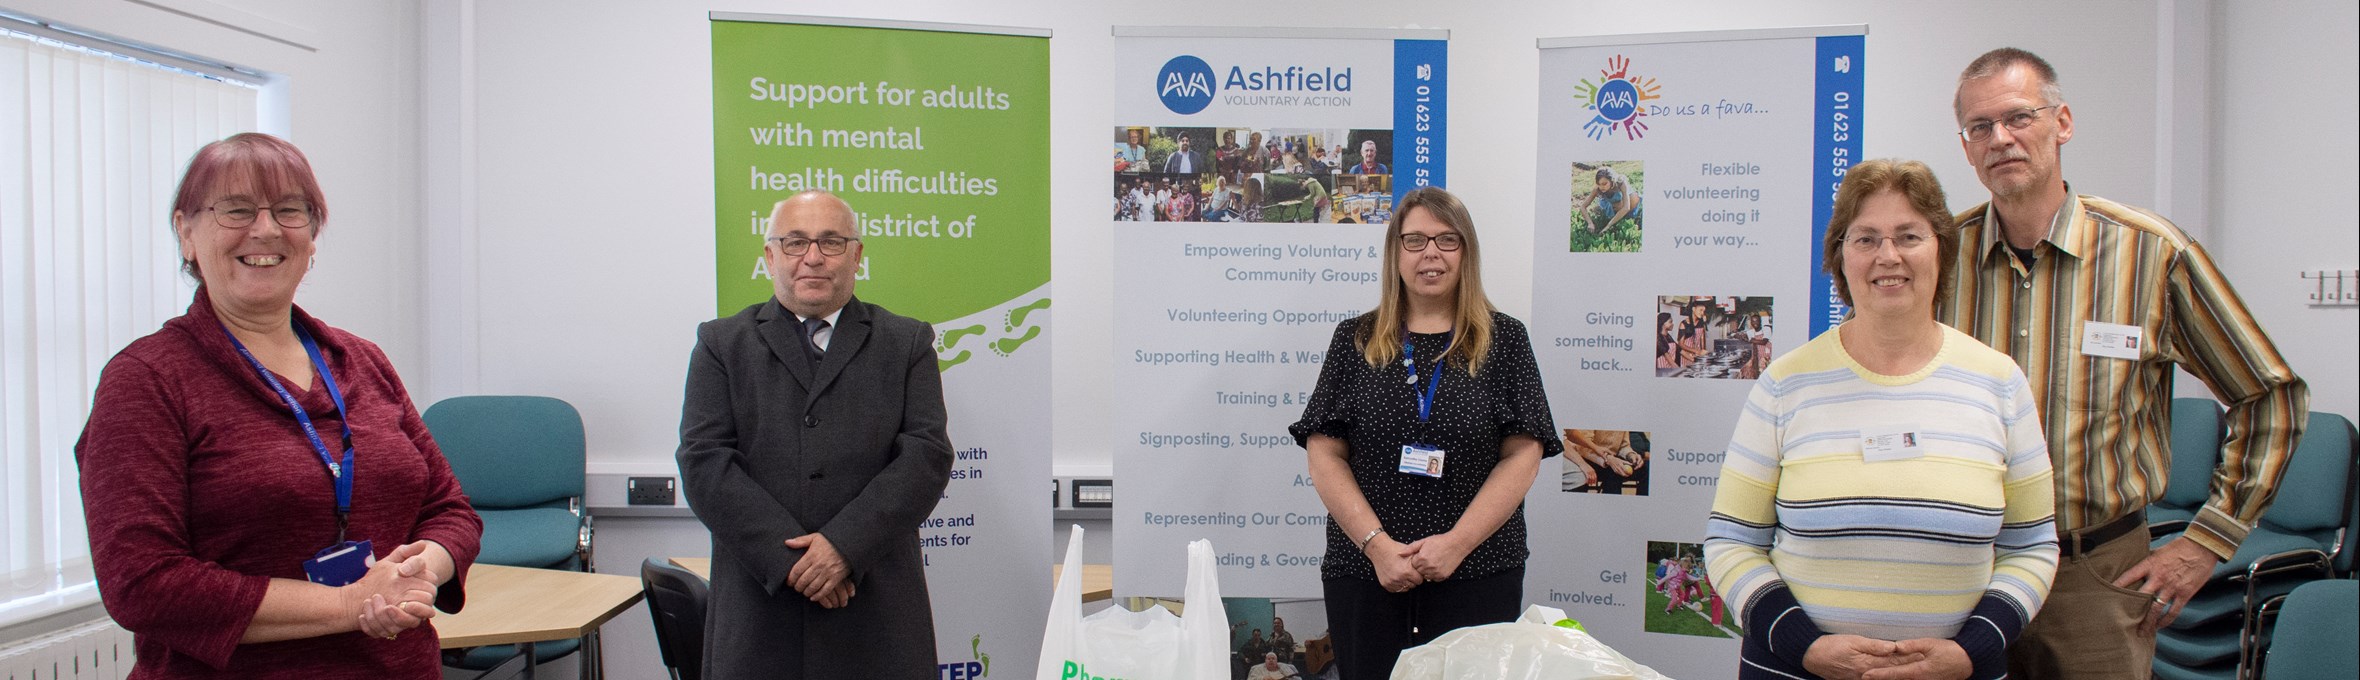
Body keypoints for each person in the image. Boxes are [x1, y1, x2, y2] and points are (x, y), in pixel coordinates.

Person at [1935, 48, 2310, 679]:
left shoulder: (2150, 255)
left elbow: (2269, 395)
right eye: (1980, 127)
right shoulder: (1941, 258)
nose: (2000, 138)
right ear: (1967, 148)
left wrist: (2206, 542)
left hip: (2095, 580)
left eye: (2019, 117)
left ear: (2063, 122)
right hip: (1961, 575)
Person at [74, 132, 482, 678]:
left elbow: (449, 507)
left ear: (312, 238)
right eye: (236, 210)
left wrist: (419, 570)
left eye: (289, 210)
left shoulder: (361, 361)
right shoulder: (146, 381)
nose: (265, 229)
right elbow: (142, 582)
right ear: (185, 232)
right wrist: (350, 602)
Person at [1706, 158, 2059, 680]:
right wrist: (1805, 645)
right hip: (1797, 669)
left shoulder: (1998, 382)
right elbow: (1731, 541)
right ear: (1840, 257)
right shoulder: (1786, 384)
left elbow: (2031, 546)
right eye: (1865, 238)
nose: (1887, 256)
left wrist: (1972, 649)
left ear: (1942, 248)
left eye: (1908, 236)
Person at [677, 190, 954, 679]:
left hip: (875, 606)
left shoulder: (907, 342)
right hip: (760, 607)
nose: (812, 258)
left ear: (857, 255)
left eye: (831, 242)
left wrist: (843, 547)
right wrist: (796, 563)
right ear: (769, 256)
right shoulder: (720, 344)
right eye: (794, 242)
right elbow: (704, 462)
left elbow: (926, 457)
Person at [1289, 187, 1561, 679]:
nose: (1430, 254)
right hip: (1367, 573)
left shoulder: (1506, 341)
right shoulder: (1354, 340)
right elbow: (1324, 452)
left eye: (1446, 240)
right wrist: (1377, 546)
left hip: (1477, 570)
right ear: (1395, 253)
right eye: (1414, 240)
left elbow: (1524, 453)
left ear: (1466, 252)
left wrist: (1455, 544)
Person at [1582, 166, 1641, 235]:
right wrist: (1590, 223)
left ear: (1612, 180)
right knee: (1610, 207)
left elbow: (1626, 208)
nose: (1601, 187)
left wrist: (1608, 226)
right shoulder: (1597, 189)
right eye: (1599, 184)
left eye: (1604, 184)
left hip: (1626, 201)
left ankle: (1617, 214)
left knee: (1631, 201)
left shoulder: (1621, 183)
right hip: (1609, 202)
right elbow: (1583, 207)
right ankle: (1603, 209)